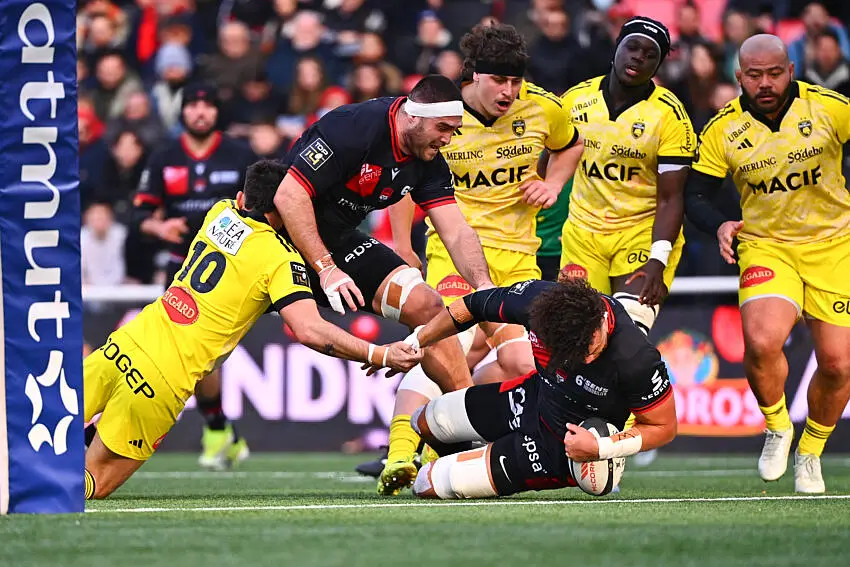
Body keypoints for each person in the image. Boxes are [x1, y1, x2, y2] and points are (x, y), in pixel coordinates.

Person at [84, 160, 422, 499]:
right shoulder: (280, 259)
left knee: (54, 432)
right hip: (160, 381)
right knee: (93, 484)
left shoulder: (220, 212)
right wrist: (379, 353)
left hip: (121, 347)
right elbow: (309, 329)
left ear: (242, 197)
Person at [361, 23, 584, 488]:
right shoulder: (443, 114)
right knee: (443, 348)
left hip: (517, 260)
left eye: (516, 81)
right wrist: (403, 245)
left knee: (524, 365)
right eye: (499, 80)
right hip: (453, 258)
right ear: (473, 76)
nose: (509, 92)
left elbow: (571, 144)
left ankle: (450, 435)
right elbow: (406, 177)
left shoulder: (544, 108)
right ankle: (399, 454)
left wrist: (553, 184)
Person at [274, 75, 496, 495]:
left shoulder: (428, 160)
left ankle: (467, 432)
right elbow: (288, 197)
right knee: (211, 347)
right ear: (412, 117)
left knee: (428, 306)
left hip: (340, 239)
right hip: (275, 237)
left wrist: (482, 286)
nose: (448, 139)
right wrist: (325, 267)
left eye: (454, 130)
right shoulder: (352, 127)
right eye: (443, 128)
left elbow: (455, 230)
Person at [684, 34, 850, 493]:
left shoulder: (830, 108)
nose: (765, 83)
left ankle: (810, 452)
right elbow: (695, 195)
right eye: (754, 75)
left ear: (790, 71)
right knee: (760, 341)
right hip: (767, 246)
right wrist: (719, 224)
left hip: (835, 246)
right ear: (739, 77)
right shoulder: (722, 129)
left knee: (838, 364)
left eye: (775, 73)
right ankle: (777, 427)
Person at [379, 277, 677, 500]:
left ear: (600, 322)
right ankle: (478, 452)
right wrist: (416, 342)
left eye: (589, 350)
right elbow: (470, 306)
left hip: (559, 449)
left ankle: (482, 463)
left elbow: (664, 426)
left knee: (427, 483)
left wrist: (600, 448)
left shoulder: (635, 358)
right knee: (425, 420)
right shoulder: (536, 301)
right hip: (531, 398)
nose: (584, 359)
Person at [132, 82, 258, 470]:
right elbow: (139, 215)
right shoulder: (164, 156)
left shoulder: (240, 154)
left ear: (217, 112)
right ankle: (220, 431)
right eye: (192, 106)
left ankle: (219, 431)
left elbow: (264, 206)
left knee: (206, 353)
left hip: (233, 265)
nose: (200, 112)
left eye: (207, 105)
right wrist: (160, 227)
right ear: (182, 111)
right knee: (189, 354)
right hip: (182, 267)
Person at [557, 17, 696, 336]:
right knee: (580, 338)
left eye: (650, 55)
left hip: (641, 232)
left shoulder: (670, 116)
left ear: (658, 65)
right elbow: (548, 167)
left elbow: (671, 197)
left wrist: (658, 261)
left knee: (628, 335)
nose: (638, 57)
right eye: (632, 47)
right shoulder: (575, 100)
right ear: (616, 47)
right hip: (583, 235)